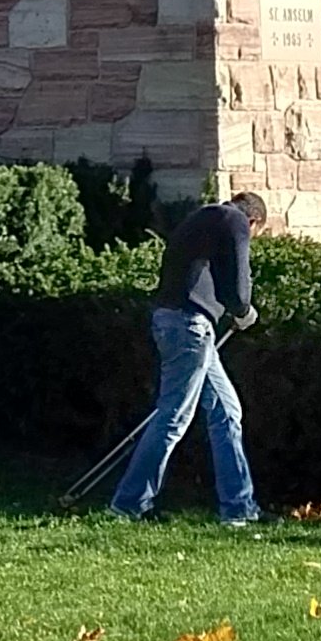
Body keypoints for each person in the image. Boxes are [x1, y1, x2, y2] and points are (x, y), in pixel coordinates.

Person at [111, 189, 266, 525]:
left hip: (174, 321)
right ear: (254, 221)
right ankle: (129, 504)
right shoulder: (236, 221)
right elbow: (237, 283)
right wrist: (242, 310)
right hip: (190, 326)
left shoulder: (203, 216)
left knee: (227, 410)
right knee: (173, 417)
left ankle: (239, 509)